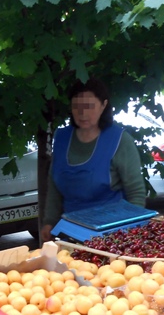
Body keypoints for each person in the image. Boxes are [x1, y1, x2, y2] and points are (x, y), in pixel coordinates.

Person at [40, 78, 146, 241]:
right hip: (70, 232)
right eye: (77, 106)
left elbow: (136, 194)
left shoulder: (119, 140)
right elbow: (54, 187)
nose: (82, 113)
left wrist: (129, 235)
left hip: (113, 234)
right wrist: (49, 222)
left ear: (103, 105)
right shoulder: (61, 138)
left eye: (89, 106)